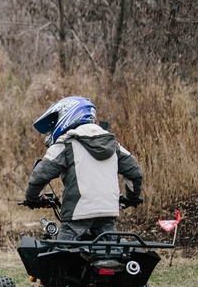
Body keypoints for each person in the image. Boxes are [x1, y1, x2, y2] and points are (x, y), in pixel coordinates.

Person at [25, 96, 143, 241]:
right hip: (108, 212)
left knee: (61, 255)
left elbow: (40, 175)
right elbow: (135, 172)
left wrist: (32, 198)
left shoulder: (66, 144)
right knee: (110, 249)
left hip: (77, 214)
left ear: (68, 115)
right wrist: (131, 197)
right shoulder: (113, 144)